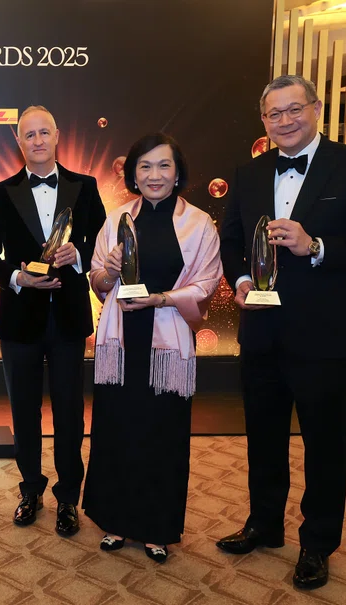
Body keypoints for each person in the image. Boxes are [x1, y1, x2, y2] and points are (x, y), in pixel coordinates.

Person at [217, 75, 346, 589]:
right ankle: (264, 523)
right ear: (264, 121)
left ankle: (318, 543)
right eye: (274, 114)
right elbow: (231, 240)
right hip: (261, 330)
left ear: (316, 109)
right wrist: (242, 280)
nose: (285, 121)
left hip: (323, 334)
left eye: (294, 109)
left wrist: (315, 245)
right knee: (263, 437)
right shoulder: (249, 172)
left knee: (324, 445)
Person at [84, 133, 221, 562]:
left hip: (167, 345)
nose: (154, 175)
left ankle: (156, 527)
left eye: (163, 165)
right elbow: (98, 282)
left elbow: (207, 283)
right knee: (117, 430)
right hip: (121, 343)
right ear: (133, 174)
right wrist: (107, 273)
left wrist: (161, 298)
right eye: (145, 166)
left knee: (163, 434)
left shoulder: (199, 223)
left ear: (177, 173)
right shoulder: (116, 219)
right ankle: (114, 521)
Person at [0, 105, 105, 536]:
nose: (37, 140)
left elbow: (104, 245)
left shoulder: (85, 187)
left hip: (68, 317)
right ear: (18, 141)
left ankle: (67, 497)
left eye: (44, 132)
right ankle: (30, 489)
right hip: (19, 319)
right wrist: (18, 278)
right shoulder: (1, 192)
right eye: (29, 135)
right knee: (24, 411)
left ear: (57, 135)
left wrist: (79, 255)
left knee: (70, 412)